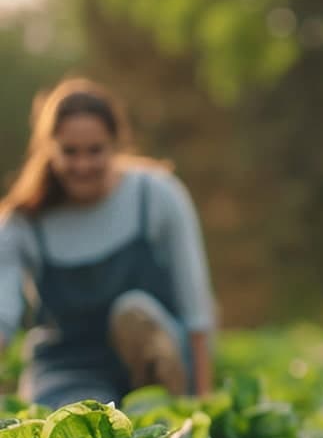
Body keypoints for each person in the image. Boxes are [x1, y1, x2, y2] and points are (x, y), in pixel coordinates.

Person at [0, 78, 216, 408]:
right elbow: (3, 314)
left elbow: (197, 309)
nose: (82, 165)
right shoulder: (24, 222)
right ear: (48, 149)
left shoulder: (156, 196)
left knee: (135, 313)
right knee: (81, 433)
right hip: (69, 368)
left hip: (154, 362)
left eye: (95, 151)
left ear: (116, 144)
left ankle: (167, 401)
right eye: (69, 152)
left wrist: (203, 405)